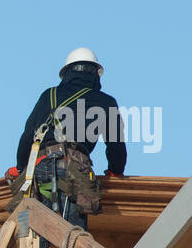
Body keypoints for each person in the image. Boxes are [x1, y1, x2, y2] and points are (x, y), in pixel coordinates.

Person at [10, 47, 127, 232]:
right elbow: (116, 145)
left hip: (39, 166)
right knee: (73, 233)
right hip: (76, 169)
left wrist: (20, 167)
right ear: (97, 74)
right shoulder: (105, 101)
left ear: (66, 74)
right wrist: (115, 171)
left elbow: (28, 136)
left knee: (36, 229)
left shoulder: (49, 95)